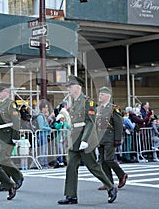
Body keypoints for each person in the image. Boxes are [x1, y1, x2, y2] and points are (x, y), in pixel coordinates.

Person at [58, 75, 117, 205]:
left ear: (77, 87)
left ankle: (111, 187)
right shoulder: (73, 103)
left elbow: (90, 123)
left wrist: (84, 140)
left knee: (93, 166)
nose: (68, 89)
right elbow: (74, 123)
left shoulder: (87, 102)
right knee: (71, 166)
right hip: (75, 139)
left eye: (70, 86)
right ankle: (71, 195)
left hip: (86, 139)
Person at [96, 87, 128, 190]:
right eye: (99, 94)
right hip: (100, 137)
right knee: (102, 161)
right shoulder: (99, 108)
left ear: (108, 96)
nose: (99, 96)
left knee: (108, 159)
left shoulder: (114, 108)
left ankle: (121, 175)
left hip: (110, 136)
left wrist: (117, 139)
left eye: (102, 95)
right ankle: (108, 183)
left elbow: (118, 124)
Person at [0, 83, 24, 192]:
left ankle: (18, 176)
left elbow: (16, 120)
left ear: (6, 92)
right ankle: (6, 183)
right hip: (0, 134)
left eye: (0, 92)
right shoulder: (0, 104)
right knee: (2, 159)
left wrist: (15, 136)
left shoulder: (11, 104)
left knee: (4, 158)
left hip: (8, 134)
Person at [36, 101, 51, 168]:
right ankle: (43, 163)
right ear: (42, 108)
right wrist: (49, 129)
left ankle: (45, 163)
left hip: (45, 134)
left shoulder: (43, 116)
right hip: (42, 135)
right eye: (46, 107)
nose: (47, 109)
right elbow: (41, 127)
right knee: (43, 150)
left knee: (45, 150)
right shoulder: (40, 116)